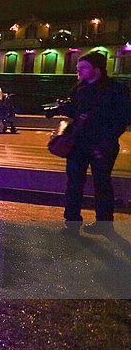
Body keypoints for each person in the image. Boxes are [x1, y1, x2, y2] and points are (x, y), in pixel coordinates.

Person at [53, 51, 131, 229]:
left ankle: (104, 223)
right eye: (78, 67)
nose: (78, 71)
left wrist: (105, 138)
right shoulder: (79, 88)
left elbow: (123, 118)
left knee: (102, 183)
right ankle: (72, 222)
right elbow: (75, 111)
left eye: (83, 67)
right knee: (74, 183)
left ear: (97, 69)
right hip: (79, 143)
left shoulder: (116, 89)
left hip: (102, 145)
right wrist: (64, 109)